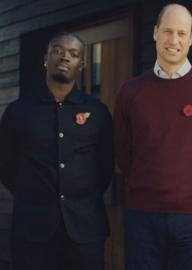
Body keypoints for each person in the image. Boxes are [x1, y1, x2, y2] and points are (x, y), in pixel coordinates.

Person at [114, 4, 192, 270]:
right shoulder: (130, 92)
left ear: (191, 38)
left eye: (182, 33)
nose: (174, 40)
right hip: (142, 215)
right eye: (167, 31)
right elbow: (122, 150)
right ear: (155, 33)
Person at [0, 32, 113, 270]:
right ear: (46, 58)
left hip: (85, 230)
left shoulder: (98, 112)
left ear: (81, 64)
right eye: (58, 51)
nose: (64, 57)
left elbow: (105, 168)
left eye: (73, 54)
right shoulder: (18, 111)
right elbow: (6, 165)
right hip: (32, 228)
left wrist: (78, 192)